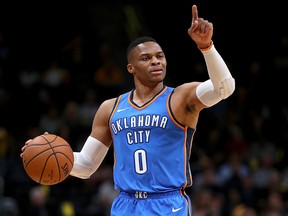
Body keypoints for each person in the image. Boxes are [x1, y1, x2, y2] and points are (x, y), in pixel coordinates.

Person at [21, 4, 235, 216]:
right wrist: (52, 154)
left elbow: (224, 87)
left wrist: (207, 47)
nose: (156, 61)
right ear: (130, 68)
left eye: (160, 56)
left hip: (168, 203)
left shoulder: (180, 97)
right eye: (146, 58)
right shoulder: (110, 108)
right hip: (126, 204)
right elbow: (86, 165)